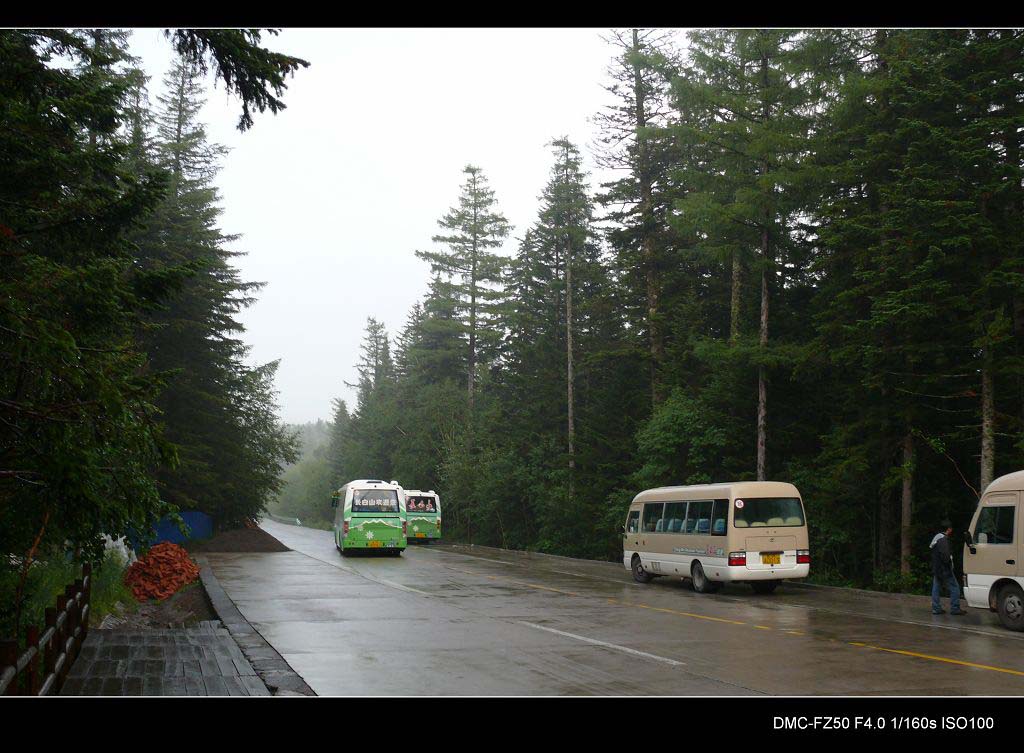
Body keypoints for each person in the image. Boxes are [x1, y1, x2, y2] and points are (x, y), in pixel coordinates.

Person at [930, 520, 966, 615]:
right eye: (951, 529)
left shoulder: (937, 538)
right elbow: (945, 555)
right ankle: (955, 608)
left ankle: (936, 608)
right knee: (955, 587)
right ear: (949, 529)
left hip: (937, 568)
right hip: (944, 569)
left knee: (936, 587)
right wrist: (949, 565)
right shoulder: (943, 539)